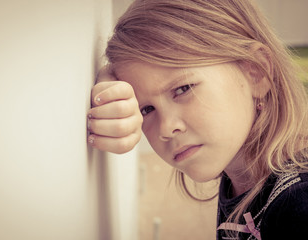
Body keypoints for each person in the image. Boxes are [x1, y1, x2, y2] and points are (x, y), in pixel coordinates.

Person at [87, 0, 308, 239]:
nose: (166, 128)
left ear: (256, 72)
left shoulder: (299, 202)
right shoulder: (243, 176)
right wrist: (108, 80)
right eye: (146, 109)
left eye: (183, 89)